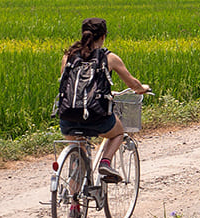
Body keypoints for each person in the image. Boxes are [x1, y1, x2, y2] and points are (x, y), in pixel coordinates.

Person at [58, 18, 149, 187]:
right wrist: (141, 88)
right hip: (96, 117)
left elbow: (69, 84)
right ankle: (105, 163)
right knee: (118, 133)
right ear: (104, 36)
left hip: (67, 116)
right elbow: (132, 84)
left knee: (78, 158)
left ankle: (74, 204)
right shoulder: (109, 58)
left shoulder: (68, 56)